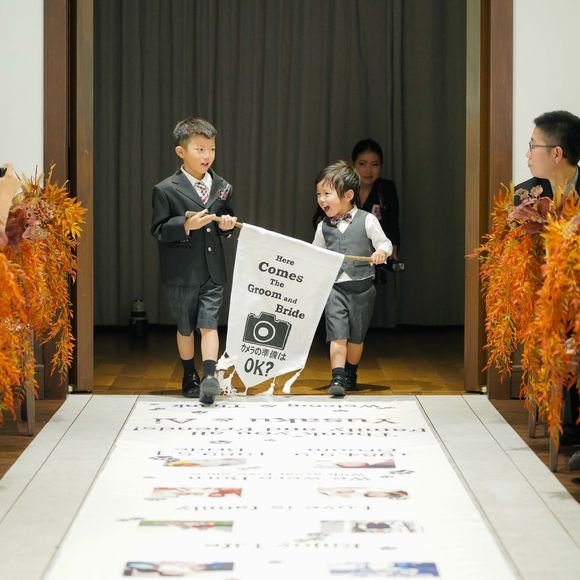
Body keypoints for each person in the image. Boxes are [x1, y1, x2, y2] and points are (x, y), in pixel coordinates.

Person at [151, 118, 237, 405]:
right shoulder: (165, 189)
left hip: (213, 270)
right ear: (181, 152)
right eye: (199, 149)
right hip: (181, 272)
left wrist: (227, 226)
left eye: (211, 149)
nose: (207, 155)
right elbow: (159, 229)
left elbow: (225, 221)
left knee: (209, 323)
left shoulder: (223, 186)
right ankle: (189, 374)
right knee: (186, 326)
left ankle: (209, 375)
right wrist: (186, 225)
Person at [516, 110, 580, 447]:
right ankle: (566, 421)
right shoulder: (525, 194)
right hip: (545, 296)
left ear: (557, 153)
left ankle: (572, 425)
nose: (527, 154)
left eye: (533, 146)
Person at [313, 161, 392, 397]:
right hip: (335, 289)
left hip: (362, 289)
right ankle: (337, 377)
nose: (321, 200)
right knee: (337, 334)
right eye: (318, 194)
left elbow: (384, 243)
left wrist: (380, 252)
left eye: (327, 194)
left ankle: (350, 372)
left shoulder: (367, 220)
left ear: (348, 195)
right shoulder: (323, 226)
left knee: (356, 338)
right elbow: (315, 253)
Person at [351, 139, 400, 263]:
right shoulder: (342, 187)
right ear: (353, 164)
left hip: (377, 256)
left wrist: (393, 248)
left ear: (381, 166)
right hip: (347, 253)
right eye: (362, 164)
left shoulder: (386, 189)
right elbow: (321, 217)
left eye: (374, 165)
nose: (368, 170)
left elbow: (393, 224)